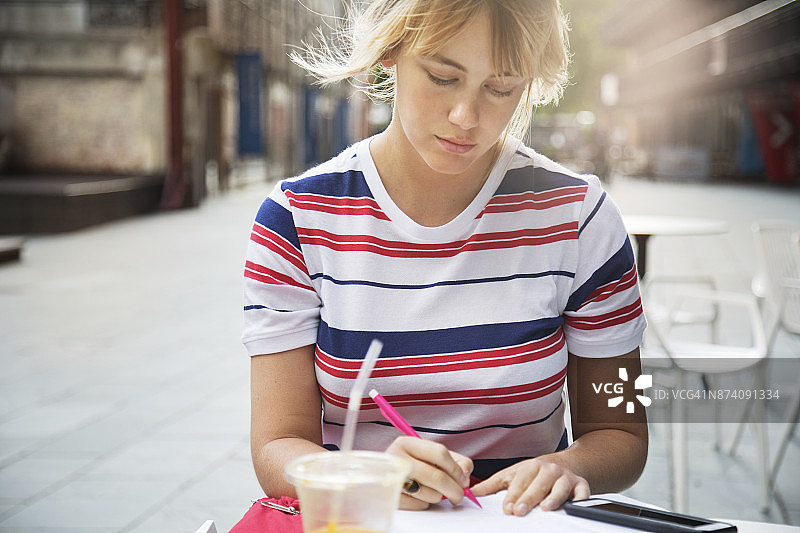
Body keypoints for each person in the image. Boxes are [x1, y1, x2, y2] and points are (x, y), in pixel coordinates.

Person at [242, 0, 648, 517]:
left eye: (501, 88)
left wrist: (572, 465)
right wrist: (373, 478)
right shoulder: (296, 218)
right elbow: (276, 445)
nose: (466, 118)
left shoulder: (582, 216)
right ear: (391, 51)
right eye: (441, 77)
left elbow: (625, 431)